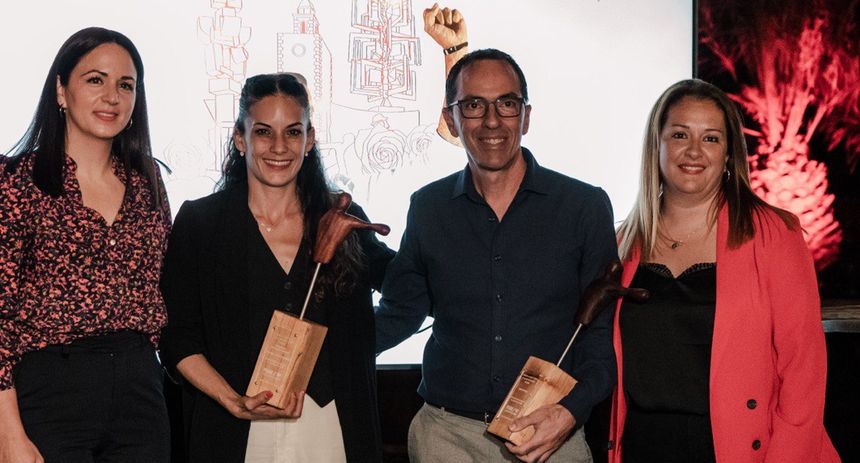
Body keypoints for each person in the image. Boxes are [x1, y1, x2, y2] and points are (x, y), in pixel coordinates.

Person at [375, 46, 618, 462]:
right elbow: (400, 313)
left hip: (548, 436)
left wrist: (569, 413)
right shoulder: (428, 207)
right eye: (473, 105)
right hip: (445, 438)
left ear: (526, 116)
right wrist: (319, 350)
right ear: (450, 119)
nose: (491, 121)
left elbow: (600, 338)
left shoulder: (583, 206)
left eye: (506, 104)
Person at [159, 73, 395, 463]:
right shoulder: (201, 223)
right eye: (264, 132)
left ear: (310, 139)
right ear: (240, 138)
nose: (279, 147)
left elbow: (407, 286)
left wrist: (365, 341)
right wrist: (232, 401)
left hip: (330, 428)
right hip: (235, 429)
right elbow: (176, 337)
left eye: (293, 132)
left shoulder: (341, 216)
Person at [609, 79, 840, 462]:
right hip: (642, 446)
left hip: (745, 450)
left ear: (730, 153)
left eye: (711, 138)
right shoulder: (623, 242)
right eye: (679, 134)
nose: (694, 151)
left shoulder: (774, 234)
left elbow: (804, 370)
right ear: (656, 145)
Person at [0, 27, 171, 462]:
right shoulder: (17, 182)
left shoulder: (147, 181)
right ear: (61, 90)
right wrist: (8, 432)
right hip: (50, 391)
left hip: (140, 392)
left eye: (126, 85)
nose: (112, 96)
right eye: (96, 79)